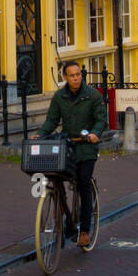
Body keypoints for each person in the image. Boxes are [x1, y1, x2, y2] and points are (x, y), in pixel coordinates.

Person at [34, 60, 106, 247]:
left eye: (78, 75)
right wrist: (41, 135)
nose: (76, 78)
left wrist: (95, 134)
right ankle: (66, 217)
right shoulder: (59, 97)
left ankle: (84, 230)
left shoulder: (93, 96)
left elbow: (100, 120)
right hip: (68, 146)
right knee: (56, 178)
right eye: (72, 76)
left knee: (83, 182)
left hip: (86, 146)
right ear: (65, 78)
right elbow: (52, 120)